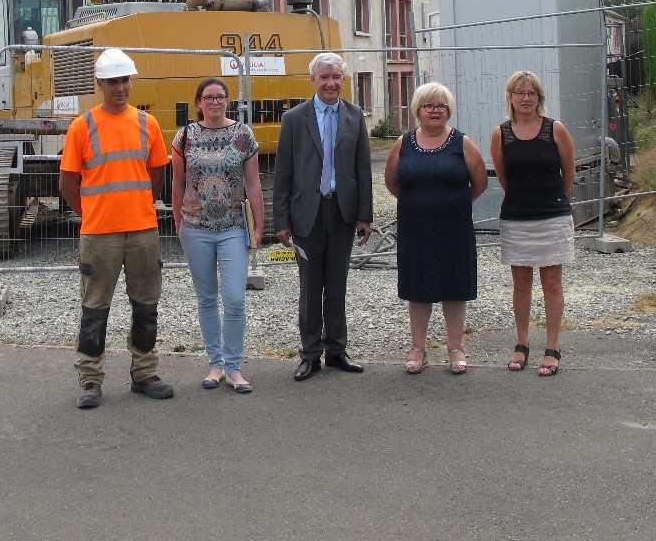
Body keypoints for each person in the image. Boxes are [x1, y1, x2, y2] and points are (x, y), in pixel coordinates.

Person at [59, 48, 174, 409]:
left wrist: (139, 204)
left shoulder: (147, 124)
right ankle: (90, 380)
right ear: (100, 84)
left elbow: (157, 173)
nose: (120, 88)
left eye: (125, 80)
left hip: (142, 230)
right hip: (100, 234)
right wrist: (91, 213)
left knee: (146, 305)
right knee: (95, 309)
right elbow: (67, 183)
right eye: (113, 81)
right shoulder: (82, 126)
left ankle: (145, 373)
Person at [273, 52, 373, 381]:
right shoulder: (294, 119)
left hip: (342, 211)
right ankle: (310, 353)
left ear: (343, 81)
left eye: (337, 78)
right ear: (313, 80)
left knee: (337, 284)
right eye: (325, 77)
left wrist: (364, 214)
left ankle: (337, 350)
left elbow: (362, 169)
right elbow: (283, 172)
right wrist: (282, 220)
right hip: (307, 213)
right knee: (310, 285)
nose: (331, 83)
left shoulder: (355, 116)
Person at [384, 82, 488, 375]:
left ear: (448, 111)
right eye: (429, 105)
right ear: (417, 110)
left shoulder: (462, 143)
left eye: (441, 106)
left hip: (454, 227)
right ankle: (418, 348)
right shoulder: (403, 143)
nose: (435, 111)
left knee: (454, 287)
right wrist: (418, 202)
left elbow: (479, 182)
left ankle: (456, 349)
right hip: (415, 227)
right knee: (418, 287)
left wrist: (453, 203)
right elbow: (392, 181)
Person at [172, 77, 264, 393]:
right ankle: (216, 364)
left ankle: (234, 366)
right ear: (198, 102)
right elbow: (178, 184)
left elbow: (253, 183)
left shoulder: (242, 135)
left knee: (236, 299)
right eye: (208, 97)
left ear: (227, 101)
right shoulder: (184, 136)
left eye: (220, 97)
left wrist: (258, 225)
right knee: (207, 298)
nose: (214, 102)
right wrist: (178, 221)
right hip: (195, 228)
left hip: (232, 227)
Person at [489, 71, 576, 377]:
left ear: (540, 98)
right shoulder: (501, 133)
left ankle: (552, 347)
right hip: (517, 217)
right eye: (519, 93)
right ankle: (522, 343)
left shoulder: (556, 130)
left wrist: (552, 201)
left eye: (531, 93)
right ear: (510, 97)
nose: (525, 98)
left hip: (552, 216)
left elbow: (569, 174)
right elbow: (503, 177)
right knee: (521, 283)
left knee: (551, 283)